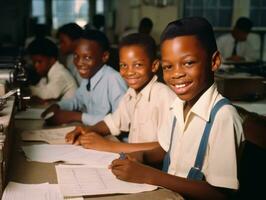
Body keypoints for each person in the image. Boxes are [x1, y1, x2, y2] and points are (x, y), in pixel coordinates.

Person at [109, 17, 244, 199]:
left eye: (188, 63)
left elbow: (220, 194)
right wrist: (142, 157)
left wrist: (149, 175)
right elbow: (166, 148)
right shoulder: (177, 105)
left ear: (214, 61)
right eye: (168, 66)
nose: (177, 74)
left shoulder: (223, 116)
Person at [65, 33, 176, 153]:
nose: (129, 72)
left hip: (152, 169)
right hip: (134, 164)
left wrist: (108, 146)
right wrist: (88, 130)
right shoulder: (131, 94)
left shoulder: (164, 96)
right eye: (124, 65)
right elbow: (113, 123)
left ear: (154, 66)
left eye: (138, 65)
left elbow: (166, 148)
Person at [41, 29, 127, 126]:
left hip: (113, 139)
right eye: (76, 56)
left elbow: (120, 120)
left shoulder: (113, 79)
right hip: (93, 132)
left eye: (87, 57)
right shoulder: (88, 77)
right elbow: (76, 101)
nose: (79, 63)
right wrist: (58, 105)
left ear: (104, 56)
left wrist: (77, 116)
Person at [27, 38, 77, 102]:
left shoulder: (60, 74)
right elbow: (40, 87)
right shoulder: (47, 74)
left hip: (71, 111)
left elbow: (47, 94)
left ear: (52, 60)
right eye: (34, 62)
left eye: (39, 61)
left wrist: (27, 89)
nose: (36, 66)